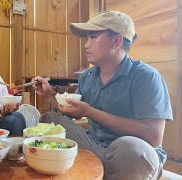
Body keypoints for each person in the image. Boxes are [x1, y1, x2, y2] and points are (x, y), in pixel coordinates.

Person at [32, 11, 173, 180]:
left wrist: (90, 112)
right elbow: (72, 110)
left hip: (132, 156)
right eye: (87, 38)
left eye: (93, 37)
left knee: (130, 148)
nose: (86, 44)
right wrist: (50, 95)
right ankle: (97, 168)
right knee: (49, 119)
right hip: (96, 148)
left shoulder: (146, 77)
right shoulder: (87, 77)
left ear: (116, 41)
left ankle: (94, 168)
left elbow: (154, 136)